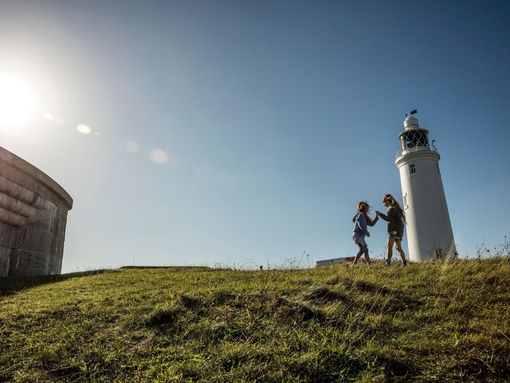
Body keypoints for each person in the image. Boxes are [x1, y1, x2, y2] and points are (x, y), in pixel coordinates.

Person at [376, 194, 407, 266]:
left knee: (389, 246)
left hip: (393, 230)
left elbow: (390, 219)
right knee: (398, 247)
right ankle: (404, 262)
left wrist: (380, 214)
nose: (384, 204)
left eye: (384, 202)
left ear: (388, 201)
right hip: (400, 230)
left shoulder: (391, 209)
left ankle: (388, 262)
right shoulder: (397, 208)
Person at [352, 201, 379, 266]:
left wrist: (376, 217)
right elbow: (360, 224)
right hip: (357, 235)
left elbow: (371, 224)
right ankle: (354, 263)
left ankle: (369, 264)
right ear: (364, 208)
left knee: (365, 250)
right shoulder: (361, 215)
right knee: (362, 249)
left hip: (360, 235)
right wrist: (366, 232)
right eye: (367, 208)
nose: (368, 210)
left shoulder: (363, 216)